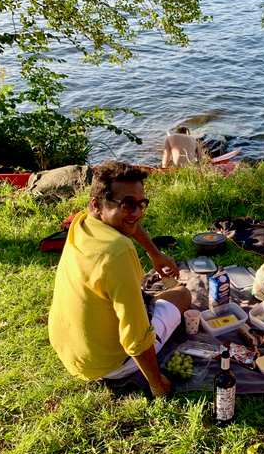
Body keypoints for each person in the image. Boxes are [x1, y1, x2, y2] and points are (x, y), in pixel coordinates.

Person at [48, 160, 191, 397]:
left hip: (71, 353)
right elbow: (136, 339)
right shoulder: (118, 251)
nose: (137, 213)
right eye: (127, 205)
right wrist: (157, 385)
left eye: (141, 204)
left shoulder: (82, 221)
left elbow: (130, 223)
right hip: (111, 366)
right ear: (97, 204)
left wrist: (155, 253)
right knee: (181, 294)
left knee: (150, 293)